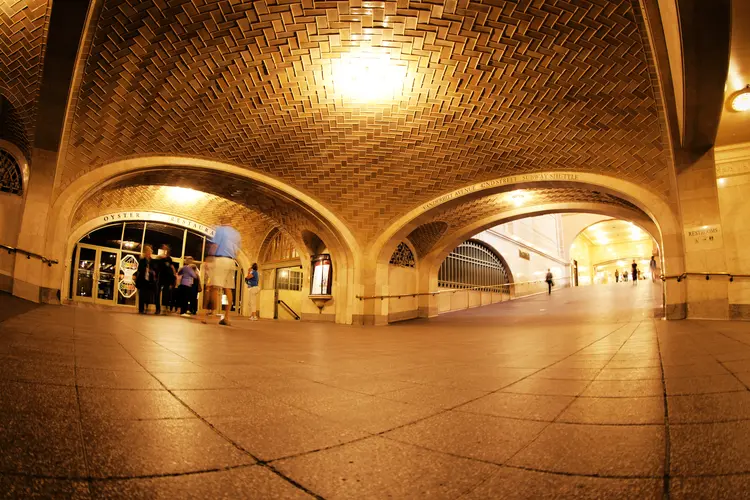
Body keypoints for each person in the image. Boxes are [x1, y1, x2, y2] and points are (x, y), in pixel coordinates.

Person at [201, 219, 241, 326]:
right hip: (231, 261)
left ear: (222, 221)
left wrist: (209, 258)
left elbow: (215, 245)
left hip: (221, 259)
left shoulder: (221, 230)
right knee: (228, 289)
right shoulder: (236, 234)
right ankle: (226, 317)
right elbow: (237, 251)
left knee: (214, 287)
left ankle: (208, 315)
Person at [152, 245, 176, 315]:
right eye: (164, 249)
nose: (165, 250)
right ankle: (158, 309)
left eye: (166, 249)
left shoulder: (169, 259)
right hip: (160, 278)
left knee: (166, 294)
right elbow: (156, 267)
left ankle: (165, 308)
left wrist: (174, 275)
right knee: (157, 294)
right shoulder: (160, 258)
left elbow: (172, 267)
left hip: (167, 279)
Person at [135, 245, 156, 314]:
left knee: (147, 295)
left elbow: (154, 270)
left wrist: (151, 271)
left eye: (150, 252)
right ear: (145, 252)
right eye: (147, 251)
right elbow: (139, 269)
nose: (149, 253)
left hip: (149, 281)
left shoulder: (152, 261)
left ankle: (147, 307)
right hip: (142, 280)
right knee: (142, 295)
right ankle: (141, 309)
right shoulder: (142, 260)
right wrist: (145, 269)